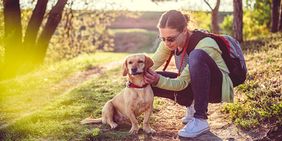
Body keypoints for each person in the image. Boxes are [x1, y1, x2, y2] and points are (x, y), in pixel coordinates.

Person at [144, 10, 234, 138]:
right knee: (146, 77)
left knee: (196, 56)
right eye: (162, 38)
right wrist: (137, 74)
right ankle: (191, 104)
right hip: (191, 84)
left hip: (216, 88)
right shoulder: (169, 43)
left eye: (170, 39)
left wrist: (158, 80)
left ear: (184, 30)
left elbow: (181, 83)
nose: (166, 43)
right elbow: (151, 64)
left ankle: (200, 119)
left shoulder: (204, 44)